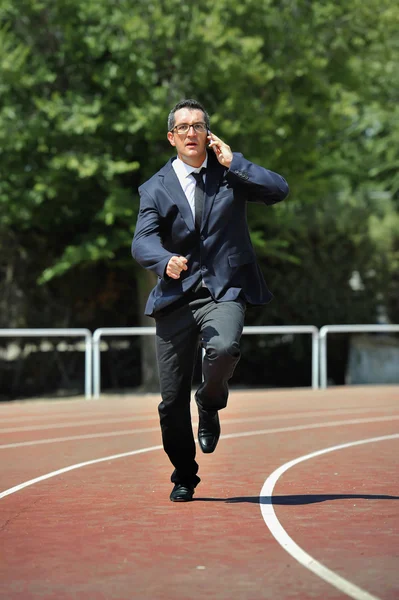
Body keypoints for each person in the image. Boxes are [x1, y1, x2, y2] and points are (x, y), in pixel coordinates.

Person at [132, 99, 289, 502]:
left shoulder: (229, 174)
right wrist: (164, 260)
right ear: (172, 137)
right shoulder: (154, 187)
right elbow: (142, 241)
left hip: (224, 288)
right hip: (175, 298)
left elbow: (278, 190)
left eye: (197, 126)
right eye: (182, 127)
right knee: (170, 403)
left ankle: (209, 400)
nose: (190, 133)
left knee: (223, 348)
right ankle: (184, 474)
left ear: (208, 134)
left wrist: (236, 161)